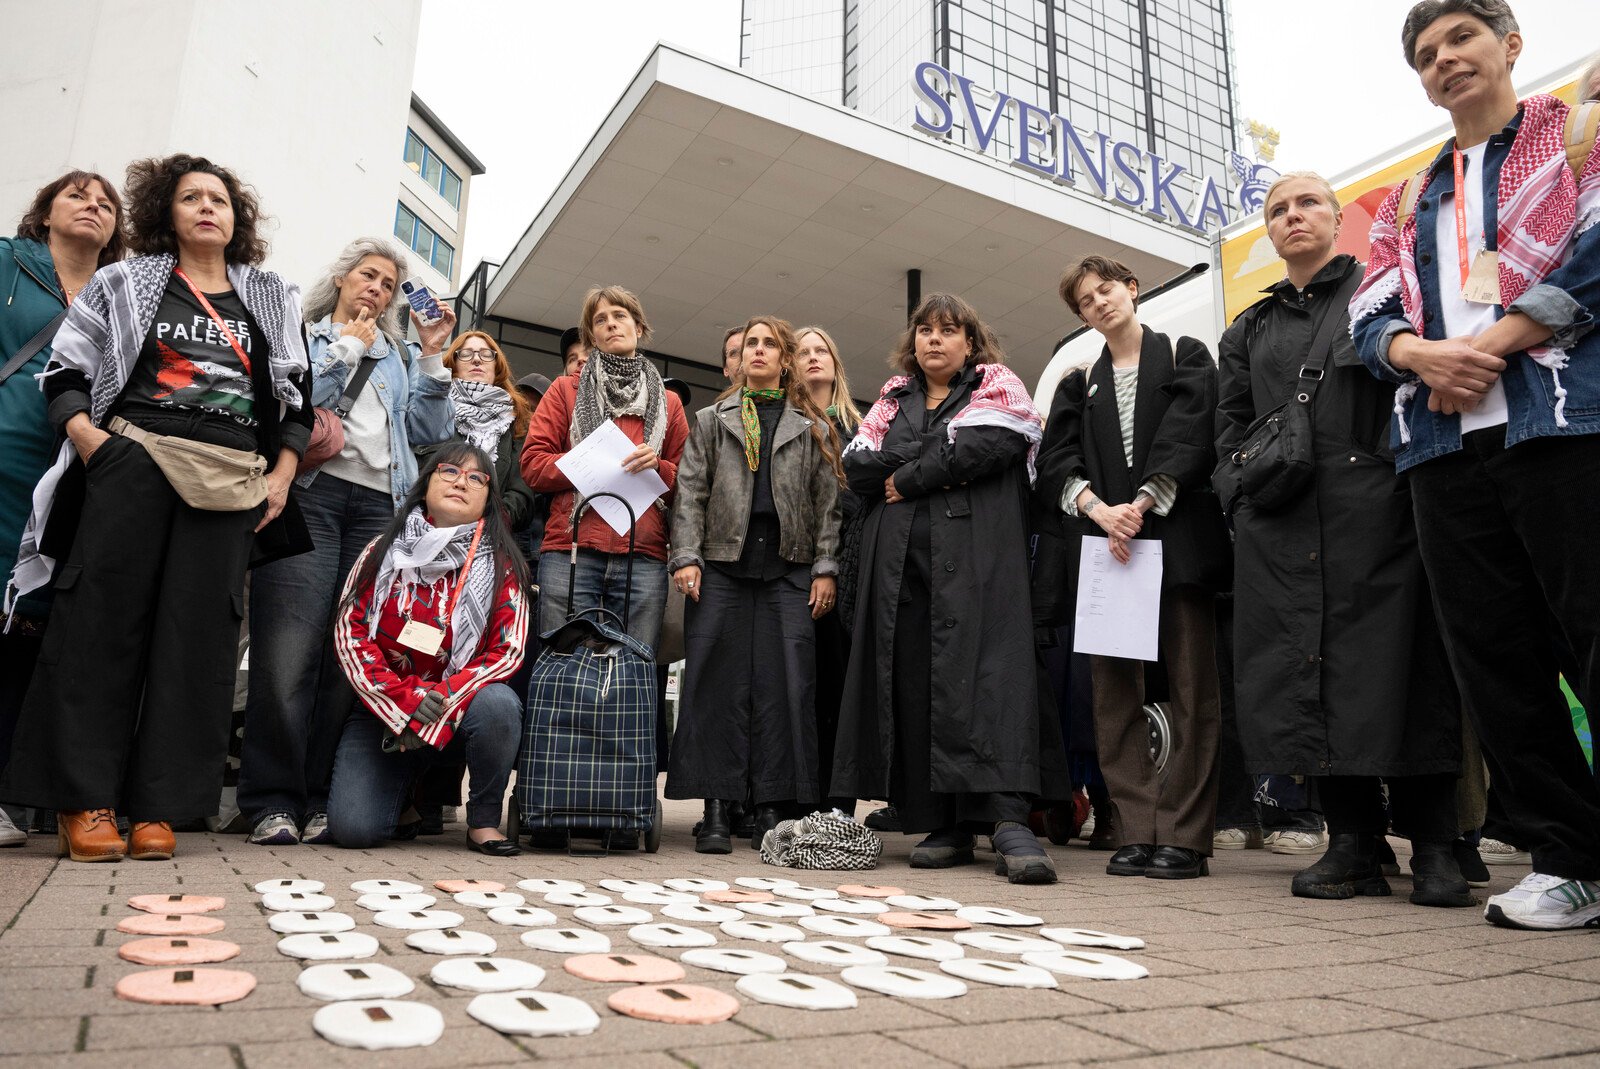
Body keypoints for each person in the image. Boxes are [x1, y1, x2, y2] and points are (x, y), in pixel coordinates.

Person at [1352, 0, 1600, 929]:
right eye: (1426, 53)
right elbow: (1368, 314)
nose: (1444, 60)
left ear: (1511, 45)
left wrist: (1487, 344)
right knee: (1496, 663)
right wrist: (1420, 357)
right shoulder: (1411, 197)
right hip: (1443, 450)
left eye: (1461, 38)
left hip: (1566, 425)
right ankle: (1570, 857)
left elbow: (1594, 258)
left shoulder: (1578, 135)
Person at [0, 154, 312, 862]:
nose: (207, 207)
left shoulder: (270, 296)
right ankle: (86, 801)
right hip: (135, 461)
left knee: (197, 642)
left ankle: (160, 807)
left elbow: (296, 396)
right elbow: (66, 370)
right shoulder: (125, 280)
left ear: (238, 219)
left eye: (221, 200)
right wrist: (95, 446)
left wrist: (282, 474)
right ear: (165, 214)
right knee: (101, 628)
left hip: (232, 477)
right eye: (191, 197)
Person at [1218, 171, 1469, 907]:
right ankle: (1352, 842)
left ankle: (1434, 845)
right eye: (1277, 210)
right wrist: (1239, 498)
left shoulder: (1383, 291)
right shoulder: (1248, 328)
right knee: (1308, 677)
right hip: (1282, 522)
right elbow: (1228, 430)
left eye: (1307, 204)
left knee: (1405, 671)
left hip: (1381, 513)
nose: (1293, 217)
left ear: (1334, 218)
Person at [832, 293, 1060, 885]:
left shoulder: (997, 385)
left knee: (990, 680)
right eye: (924, 330)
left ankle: (1008, 819)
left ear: (970, 341)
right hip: (903, 569)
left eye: (948, 330)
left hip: (983, 566)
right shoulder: (892, 397)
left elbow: (995, 444)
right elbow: (858, 468)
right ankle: (946, 822)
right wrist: (939, 454)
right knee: (919, 682)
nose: (934, 339)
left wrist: (907, 475)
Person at [238, 236, 456, 847]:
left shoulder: (400, 353)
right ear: (342, 279)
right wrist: (344, 351)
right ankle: (269, 801)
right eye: (368, 276)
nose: (378, 290)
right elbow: (293, 409)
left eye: (388, 284)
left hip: (378, 510)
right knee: (287, 655)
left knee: (344, 659)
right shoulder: (302, 339)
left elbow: (429, 433)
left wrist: (433, 359)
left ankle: (314, 798)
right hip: (309, 496)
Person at [1035, 255, 1229, 880]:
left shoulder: (1184, 354)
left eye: (1107, 290)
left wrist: (1141, 505)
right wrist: (1099, 510)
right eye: (1086, 302)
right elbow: (1057, 460)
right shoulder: (1075, 382)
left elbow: (1191, 434)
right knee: (1113, 693)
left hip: (1173, 541)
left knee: (1193, 684)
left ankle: (1186, 835)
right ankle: (1137, 825)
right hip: (1109, 551)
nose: (1100, 304)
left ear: (1132, 289)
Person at [667, 316, 843, 852]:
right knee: (715, 686)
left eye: (769, 344)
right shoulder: (710, 420)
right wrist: (687, 558)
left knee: (786, 687)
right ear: (739, 360)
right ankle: (717, 808)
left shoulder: (812, 423)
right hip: (720, 568)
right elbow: (691, 493)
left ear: (784, 359)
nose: (759, 351)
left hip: (789, 570)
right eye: (750, 346)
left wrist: (825, 568)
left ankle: (772, 807)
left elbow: (828, 505)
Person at [0, 170, 124, 848]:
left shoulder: (119, 294)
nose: (93, 205)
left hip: (76, 471)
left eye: (105, 203)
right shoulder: (8, 263)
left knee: (35, 618)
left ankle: (16, 791)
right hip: (7, 452)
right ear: (44, 213)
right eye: (77, 194)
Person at [327, 444, 528, 854]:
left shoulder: (504, 564)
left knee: (500, 705)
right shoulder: (382, 550)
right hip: (388, 714)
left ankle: (484, 821)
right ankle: (406, 800)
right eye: (450, 471)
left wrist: (440, 697)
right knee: (353, 831)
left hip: (456, 709)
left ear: (489, 499)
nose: (461, 482)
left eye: (477, 478)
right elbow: (351, 633)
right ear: (425, 485)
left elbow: (507, 651)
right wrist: (405, 700)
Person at [521, 285, 688, 654]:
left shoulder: (670, 402)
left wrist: (658, 467)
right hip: (572, 551)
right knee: (563, 673)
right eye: (600, 320)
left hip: (642, 558)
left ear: (638, 328)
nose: (611, 325)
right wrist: (587, 462)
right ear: (592, 337)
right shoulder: (565, 389)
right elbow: (532, 466)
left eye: (620, 316)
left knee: (631, 677)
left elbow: (687, 484)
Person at [795, 324, 862, 814]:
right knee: (799, 685)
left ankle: (838, 799)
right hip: (792, 569)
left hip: (848, 569)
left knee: (840, 686)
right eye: (803, 352)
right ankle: (798, 794)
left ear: (835, 363)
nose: (814, 358)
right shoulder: (782, 423)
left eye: (822, 351)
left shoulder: (861, 428)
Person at [425, 331, 536, 530]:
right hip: (428, 527)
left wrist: (488, 523)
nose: (477, 359)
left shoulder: (517, 422)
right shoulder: (434, 407)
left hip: (490, 537)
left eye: (486, 354)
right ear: (454, 364)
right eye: (466, 354)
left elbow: (522, 493)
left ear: (496, 367)